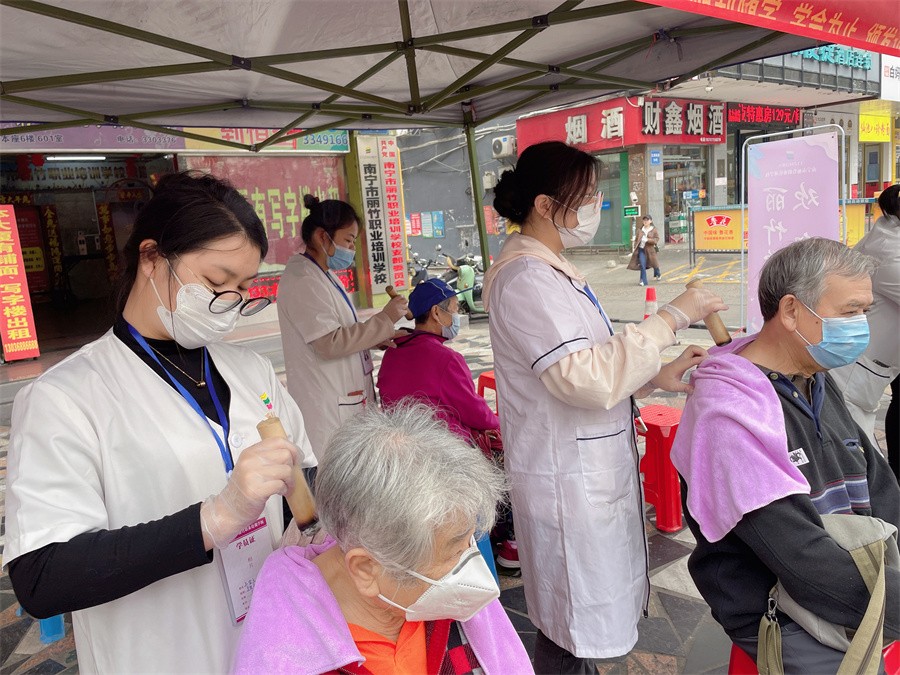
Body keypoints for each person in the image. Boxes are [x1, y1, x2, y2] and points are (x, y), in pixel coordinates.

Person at [4, 172, 315, 673]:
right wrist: (212, 519)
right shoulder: (65, 397)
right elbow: (43, 576)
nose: (229, 303)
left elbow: (304, 475)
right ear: (151, 257)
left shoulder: (251, 372)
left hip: (272, 644)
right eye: (215, 282)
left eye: (242, 288)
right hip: (160, 656)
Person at [483, 140, 727, 671]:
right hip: (566, 481)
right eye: (588, 196)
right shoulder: (526, 279)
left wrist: (654, 375)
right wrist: (671, 317)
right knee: (570, 629)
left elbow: (589, 364)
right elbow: (582, 379)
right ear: (545, 205)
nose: (597, 204)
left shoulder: (552, 271)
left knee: (577, 628)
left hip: (585, 468)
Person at [671, 238, 900, 672]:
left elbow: (879, 483)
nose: (860, 326)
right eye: (849, 312)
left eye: (865, 312)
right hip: (782, 609)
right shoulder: (731, 417)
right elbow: (803, 562)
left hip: (855, 572)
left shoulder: (812, 373)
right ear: (792, 311)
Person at [232, 404, 533, 675]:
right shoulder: (283, 656)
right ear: (366, 569)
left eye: (470, 542)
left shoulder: (454, 602)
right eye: (453, 553)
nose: (471, 567)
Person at [377, 278, 517, 569]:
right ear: (436, 313)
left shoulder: (393, 352)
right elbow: (477, 414)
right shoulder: (444, 358)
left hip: (405, 456)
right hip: (448, 461)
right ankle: (507, 548)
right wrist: (500, 423)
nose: (457, 316)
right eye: (453, 309)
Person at [277, 195, 408, 460]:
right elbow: (329, 343)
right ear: (322, 237)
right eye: (348, 240)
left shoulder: (323, 275)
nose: (351, 249)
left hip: (346, 399)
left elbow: (342, 332)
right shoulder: (303, 279)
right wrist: (385, 319)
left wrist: (376, 337)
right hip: (328, 406)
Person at [831, 184, 900, 481]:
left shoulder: (889, 234)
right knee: (860, 459)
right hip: (854, 370)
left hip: (871, 365)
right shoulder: (889, 251)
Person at [626, 214, 661, 286]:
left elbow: (656, 239)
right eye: (644, 220)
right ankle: (643, 281)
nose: (645, 221)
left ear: (650, 221)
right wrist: (635, 245)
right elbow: (636, 239)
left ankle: (658, 273)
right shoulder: (640, 230)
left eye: (647, 220)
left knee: (654, 264)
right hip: (641, 250)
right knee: (642, 265)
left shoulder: (653, 230)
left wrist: (648, 240)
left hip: (650, 250)